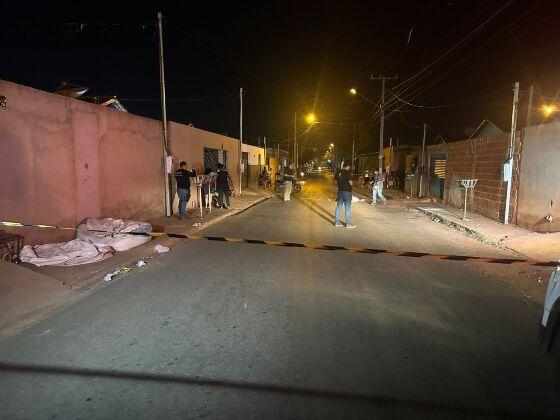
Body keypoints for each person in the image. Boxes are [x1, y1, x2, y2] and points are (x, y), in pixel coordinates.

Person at [334, 161, 355, 228]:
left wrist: (340, 184)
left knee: (339, 206)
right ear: (348, 166)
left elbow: (335, 181)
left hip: (340, 191)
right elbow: (351, 183)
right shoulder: (347, 172)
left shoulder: (338, 172)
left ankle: (337, 222)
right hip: (347, 192)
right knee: (347, 207)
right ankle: (348, 224)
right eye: (349, 167)